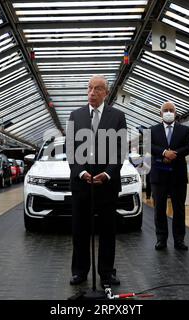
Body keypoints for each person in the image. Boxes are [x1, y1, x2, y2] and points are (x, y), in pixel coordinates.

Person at [67, 75, 127, 287]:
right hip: (81, 183)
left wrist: (108, 174)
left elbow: (120, 151)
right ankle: (80, 272)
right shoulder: (75, 116)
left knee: (107, 230)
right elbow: (71, 151)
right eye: (89, 88)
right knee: (80, 229)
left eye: (98, 89)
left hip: (107, 184)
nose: (92, 92)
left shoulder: (118, 116)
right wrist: (81, 173)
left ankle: (107, 273)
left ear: (106, 93)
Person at [150, 101, 189, 251]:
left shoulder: (184, 130)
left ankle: (179, 240)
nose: (168, 112)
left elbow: (188, 146)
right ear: (160, 113)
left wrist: (174, 154)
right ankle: (161, 239)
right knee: (159, 209)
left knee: (179, 209)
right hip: (159, 176)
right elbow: (150, 146)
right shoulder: (153, 130)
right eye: (165, 110)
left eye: (171, 110)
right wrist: (164, 153)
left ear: (175, 113)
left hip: (178, 175)